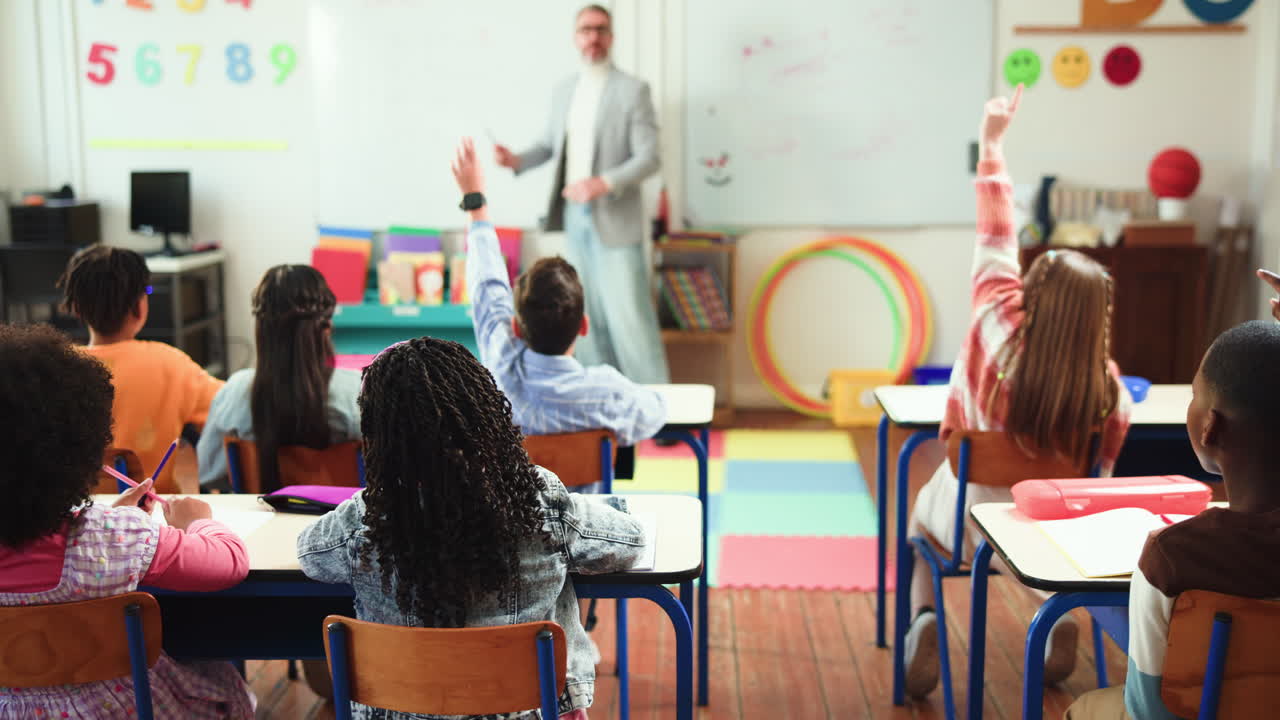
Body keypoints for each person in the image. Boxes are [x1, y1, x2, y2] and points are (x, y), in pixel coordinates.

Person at [901, 85, 1133, 698]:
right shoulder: (1110, 391)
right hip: (1044, 529)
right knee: (1026, 534)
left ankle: (925, 620)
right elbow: (1098, 488)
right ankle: (1054, 613)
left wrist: (994, 143)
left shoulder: (993, 323)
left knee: (923, 528)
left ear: (1029, 292)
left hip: (970, 511)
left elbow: (996, 230)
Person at [296, 337, 644, 719]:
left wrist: (373, 495)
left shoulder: (366, 516)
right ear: (486, 414)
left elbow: (309, 553)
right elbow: (630, 543)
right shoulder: (538, 497)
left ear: (381, 437)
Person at [0, 323, 253, 719]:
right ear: (79, 444)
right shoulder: (115, 539)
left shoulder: (115, 531)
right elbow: (228, 563)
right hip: (118, 711)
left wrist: (115, 519)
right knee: (218, 677)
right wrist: (197, 522)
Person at [1065, 320, 1280, 719]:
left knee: (1084, 708)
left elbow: (1148, 710)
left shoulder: (1172, 556)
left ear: (1210, 426)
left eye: (1194, 394)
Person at [493, 4, 669, 385]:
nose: (593, 37)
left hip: (613, 219)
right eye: (586, 30)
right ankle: (601, 402)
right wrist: (516, 160)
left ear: (612, 36)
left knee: (630, 320)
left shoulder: (632, 90)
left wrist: (602, 183)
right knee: (584, 318)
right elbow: (549, 145)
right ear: (576, 37)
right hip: (573, 218)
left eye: (601, 29)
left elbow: (649, 157)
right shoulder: (564, 91)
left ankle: (660, 410)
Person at [455, 137, 666, 452]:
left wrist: (475, 200)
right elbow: (655, 412)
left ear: (515, 327)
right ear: (583, 325)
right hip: (582, 504)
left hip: (515, 504)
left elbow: (486, 285)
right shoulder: (606, 394)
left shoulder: (501, 369)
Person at [58, 244, 224, 491]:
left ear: (77, 308)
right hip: (153, 517)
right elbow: (228, 409)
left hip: (78, 518)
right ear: (140, 306)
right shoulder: (171, 364)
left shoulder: (56, 370)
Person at [197, 265, 361, 491]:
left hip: (261, 522)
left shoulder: (234, 392)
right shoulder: (355, 392)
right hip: (342, 524)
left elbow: (208, 474)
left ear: (261, 328)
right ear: (327, 326)